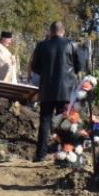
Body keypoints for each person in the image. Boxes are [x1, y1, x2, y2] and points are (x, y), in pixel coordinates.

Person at [29, 21, 82, 162]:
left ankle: (40, 154)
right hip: (65, 90)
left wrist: (46, 73)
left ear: (51, 31)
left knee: (45, 122)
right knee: (63, 122)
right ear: (63, 31)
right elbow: (78, 66)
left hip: (46, 89)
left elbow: (34, 66)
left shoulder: (42, 46)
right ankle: (63, 153)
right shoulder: (71, 45)